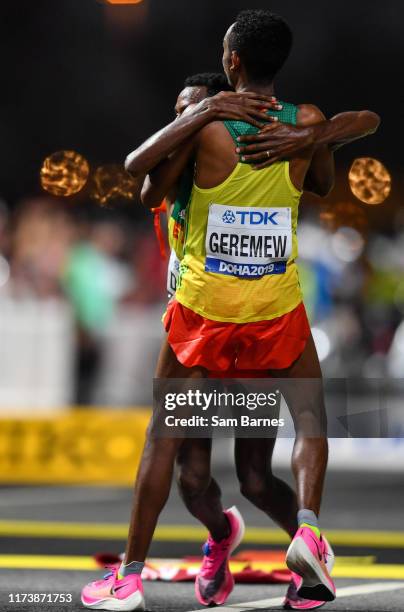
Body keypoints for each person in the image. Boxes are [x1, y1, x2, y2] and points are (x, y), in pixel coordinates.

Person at [81, 9, 380, 612]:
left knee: (181, 450)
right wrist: (312, 136)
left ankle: (129, 577)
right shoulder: (304, 121)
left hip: (206, 322)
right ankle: (308, 531)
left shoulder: (204, 131)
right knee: (297, 430)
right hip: (274, 318)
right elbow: (327, 173)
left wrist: (207, 116)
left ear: (232, 62)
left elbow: (140, 170)